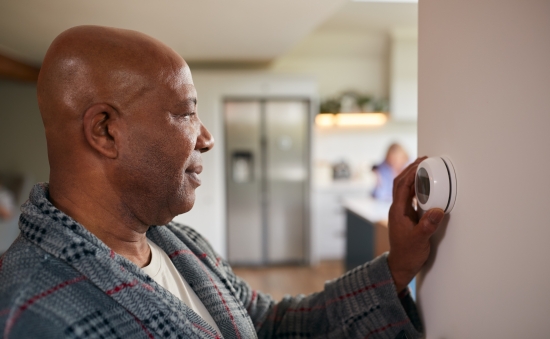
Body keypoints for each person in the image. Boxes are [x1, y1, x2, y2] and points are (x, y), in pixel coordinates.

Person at [0, 26, 444, 339]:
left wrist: (397, 267)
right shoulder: (34, 315)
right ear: (105, 131)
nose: (208, 138)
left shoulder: (181, 243)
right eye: (185, 112)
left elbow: (269, 326)